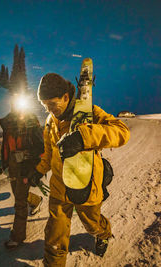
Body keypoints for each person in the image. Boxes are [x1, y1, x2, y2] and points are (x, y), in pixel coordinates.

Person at [26, 73, 130, 266]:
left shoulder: (89, 113)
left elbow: (122, 132)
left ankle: (103, 233)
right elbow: (49, 153)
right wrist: (39, 170)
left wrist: (84, 137)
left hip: (86, 187)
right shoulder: (50, 121)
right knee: (54, 238)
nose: (49, 110)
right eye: (45, 106)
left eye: (52, 104)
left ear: (66, 97)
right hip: (59, 188)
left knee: (93, 225)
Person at [0, 93, 45, 250]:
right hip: (12, 165)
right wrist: (2, 163)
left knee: (19, 202)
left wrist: (31, 169)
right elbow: (6, 145)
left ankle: (17, 237)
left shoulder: (31, 122)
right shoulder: (9, 122)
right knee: (18, 195)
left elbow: (40, 148)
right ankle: (36, 200)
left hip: (26, 166)